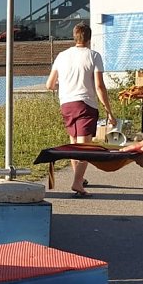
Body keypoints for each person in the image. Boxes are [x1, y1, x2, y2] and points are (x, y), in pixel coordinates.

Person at [46, 22, 115, 196]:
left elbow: (50, 84)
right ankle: (77, 183)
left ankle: (79, 177)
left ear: (74, 37)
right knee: (84, 147)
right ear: (89, 39)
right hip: (85, 104)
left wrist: (67, 85)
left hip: (67, 104)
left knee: (74, 143)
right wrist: (109, 110)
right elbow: (99, 86)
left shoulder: (62, 55)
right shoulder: (93, 56)